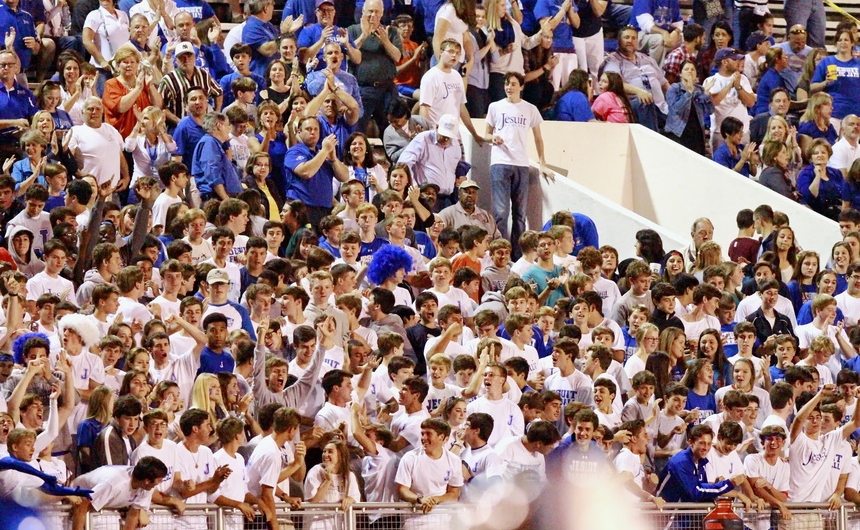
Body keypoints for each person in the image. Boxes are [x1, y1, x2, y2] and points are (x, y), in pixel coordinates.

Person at [283, 116, 349, 227]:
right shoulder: (295, 151)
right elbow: (306, 172)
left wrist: (333, 159)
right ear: (299, 131)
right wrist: (324, 151)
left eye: (316, 129)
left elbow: (344, 176)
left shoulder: (322, 153)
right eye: (308, 129)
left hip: (324, 210)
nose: (313, 132)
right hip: (302, 209)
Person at [348, 0, 403, 134]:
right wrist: (364, 36)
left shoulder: (391, 32)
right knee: (357, 130)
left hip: (387, 90)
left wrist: (385, 41)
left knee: (393, 130)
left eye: (377, 12)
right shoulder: (353, 30)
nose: (373, 15)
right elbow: (348, 54)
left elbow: (397, 57)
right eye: (370, 11)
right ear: (363, 12)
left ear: (382, 13)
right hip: (363, 89)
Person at [599, 26, 669, 131]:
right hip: (634, 104)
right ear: (619, 40)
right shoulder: (613, 60)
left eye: (633, 38)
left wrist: (676, 96)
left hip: (661, 107)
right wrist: (639, 92)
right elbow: (614, 82)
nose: (630, 41)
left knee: (687, 101)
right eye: (626, 37)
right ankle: (650, 141)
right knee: (645, 102)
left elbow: (664, 84)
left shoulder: (647, 59)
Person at [418, 39, 482, 145]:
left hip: (455, 135)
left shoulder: (456, 76)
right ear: (441, 52)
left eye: (457, 53)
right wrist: (427, 136)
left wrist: (474, 134)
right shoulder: (431, 77)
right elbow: (424, 108)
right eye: (451, 51)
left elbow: (461, 107)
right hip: (437, 135)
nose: (454, 56)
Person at [68, 97, 128, 190]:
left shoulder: (111, 129)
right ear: (82, 112)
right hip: (88, 191)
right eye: (90, 109)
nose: (94, 112)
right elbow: (69, 158)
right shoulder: (76, 131)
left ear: (102, 111)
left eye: (98, 109)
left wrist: (126, 177)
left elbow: (119, 154)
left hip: (113, 190)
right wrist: (79, 175)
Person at [158, 41, 223, 125]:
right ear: (176, 60)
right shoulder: (168, 80)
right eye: (182, 57)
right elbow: (160, 107)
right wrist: (179, 122)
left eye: (189, 56)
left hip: (204, 125)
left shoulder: (204, 74)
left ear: (195, 57)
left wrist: (216, 113)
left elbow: (218, 92)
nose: (186, 60)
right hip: (178, 126)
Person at [704, 48, 755, 152]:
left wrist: (738, 87)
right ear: (724, 62)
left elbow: (751, 102)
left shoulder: (743, 79)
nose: (739, 62)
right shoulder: (711, 81)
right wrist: (729, 86)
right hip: (721, 133)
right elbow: (713, 103)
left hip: (742, 132)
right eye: (735, 59)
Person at [811, 27, 860, 133]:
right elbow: (812, 87)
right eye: (840, 40)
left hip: (856, 114)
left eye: (846, 40)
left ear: (852, 43)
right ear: (836, 43)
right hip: (834, 113)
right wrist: (825, 82)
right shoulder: (826, 62)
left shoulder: (858, 63)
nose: (843, 43)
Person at [665, 60, 713, 155]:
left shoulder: (700, 89)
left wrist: (707, 95)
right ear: (680, 74)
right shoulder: (674, 88)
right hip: (678, 133)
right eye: (686, 69)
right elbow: (676, 109)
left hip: (697, 134)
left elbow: (710, 110)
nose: (690, 71)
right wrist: (689, 92)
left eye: (692, 69)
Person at [192, 112, 243, 202]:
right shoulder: (209, 143)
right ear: (219, 125)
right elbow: (213, 174)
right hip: (216, 198)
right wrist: (226, 200)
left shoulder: (215, 143)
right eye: (228, 126)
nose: (229, 129)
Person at [797, 138, 844, 221]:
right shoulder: (805, 174)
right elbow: (810, 197)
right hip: (815, 215)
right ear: (811, 158)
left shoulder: (836, 173)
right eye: (816, 153)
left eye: (823, 152)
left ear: (828, 156)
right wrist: (817, 176)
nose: (820, 155)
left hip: (837, 213)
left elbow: (845, 194)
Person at [628, 0, 682, 64]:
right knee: (659, 40)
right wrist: (664, 33)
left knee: (683, 39)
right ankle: (654, 71)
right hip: (637, 34)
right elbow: (646, 24)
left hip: (661, 34)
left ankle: (671, 71)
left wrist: (675, 32)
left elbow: (678, 22)